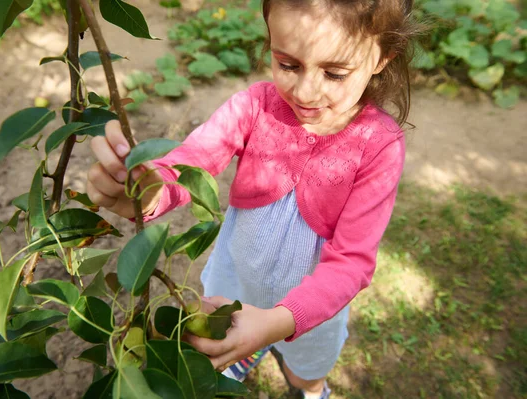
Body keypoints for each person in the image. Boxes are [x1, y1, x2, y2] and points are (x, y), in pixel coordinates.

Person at [87, 0, 421, 397]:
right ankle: (250, 345)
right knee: (230, 336)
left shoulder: (379, 147)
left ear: (383, 57)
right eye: (288, 64)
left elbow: (351, 261)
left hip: (311, 308)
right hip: (238, 281)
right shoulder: (254, 106)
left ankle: (308, 386)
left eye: (334, 73)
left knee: (305, 373)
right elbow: (193, 162)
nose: (305, 91)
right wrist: (148, 191)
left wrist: (278, 322)